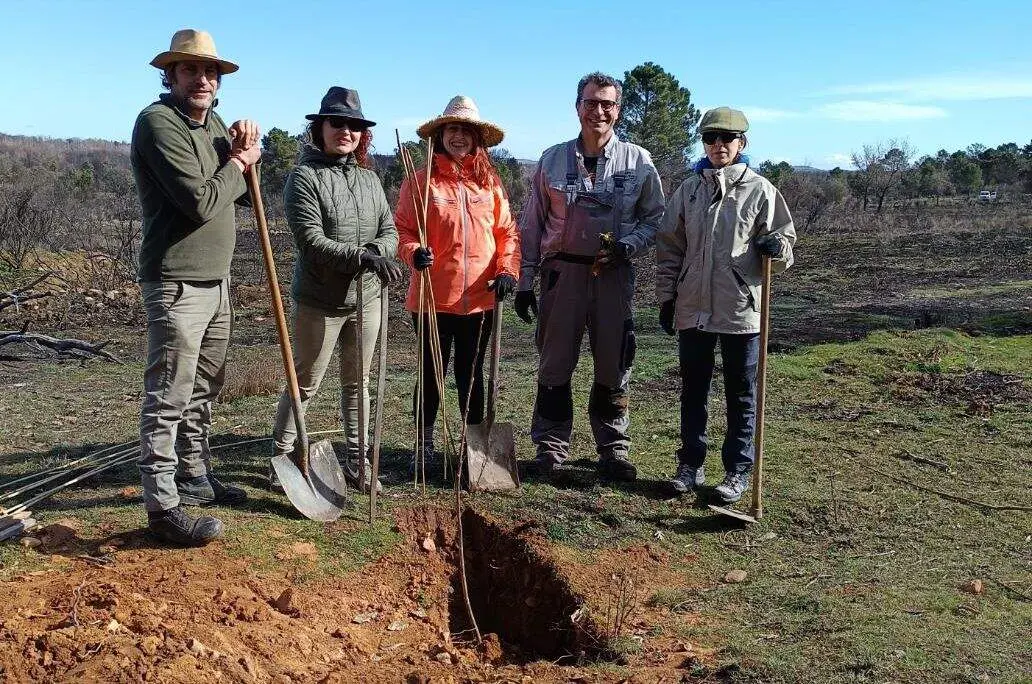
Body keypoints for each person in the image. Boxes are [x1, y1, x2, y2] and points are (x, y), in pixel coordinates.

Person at [132, 29, 262, 546]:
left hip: (218, 279)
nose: (202, 79)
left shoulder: (213, 132)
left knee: (205, 388)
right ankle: (163, 507)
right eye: (190, 70)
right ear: (171, 76)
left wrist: (246, 152)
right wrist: (239, 162)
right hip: (176, 283)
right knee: (169, 394)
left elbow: (242, 198)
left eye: (210, 72)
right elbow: (201, 202)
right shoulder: (157, 123)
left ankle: (194, 476)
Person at [515, 72, 664, 482]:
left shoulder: (638, 161)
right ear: (577, 105)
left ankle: (613, 449)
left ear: (618, 110)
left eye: (608, 104)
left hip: (613, 274)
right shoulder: (551, 159)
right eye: (591, 102)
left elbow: (655, 219)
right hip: (562, 274)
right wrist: (525, 281)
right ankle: (549, 447)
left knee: (614, 364)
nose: (599, 111)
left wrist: (629, 244)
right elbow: (531, 224)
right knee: (555, 363)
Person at [655, 107, 796, 503]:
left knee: (741, 394)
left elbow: (785, 245)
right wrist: (667, 297)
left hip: (741, 310)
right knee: (693, 390)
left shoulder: (762, 190)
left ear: (742, 143)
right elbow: (670, 248)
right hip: (693, 307)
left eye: (726, 138)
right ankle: (690, 464)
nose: (718, 145)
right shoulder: (689, 190)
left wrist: (777, 248)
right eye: (710, 138)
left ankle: (737, 471)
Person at [271, 87, 402, 493]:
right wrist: (364, 257)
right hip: (320, 301)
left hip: (367, 299)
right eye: (337, 123)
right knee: (304, 382)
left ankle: (358, 463)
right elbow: (311, 241)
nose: (346, 131)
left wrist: (379, 252)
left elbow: (390, 230)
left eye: (355, 125)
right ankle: (281, 457)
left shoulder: (369, 179)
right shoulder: (304, 178)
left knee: (357, 383)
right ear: (320, 128)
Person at [395, 96, 520, 470]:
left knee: (472, 375)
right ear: (440, 135)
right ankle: (424, 443)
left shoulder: (490, 184)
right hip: (432, 297)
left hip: (480, 299)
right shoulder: (420, 182)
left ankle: (474, 448)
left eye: (466, 130)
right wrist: (413, 252)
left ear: (477, 138)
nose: (459, 137)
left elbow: (507, 233)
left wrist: (508, 271)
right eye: (453, 129)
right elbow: (402, 230)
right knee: (432, 374)